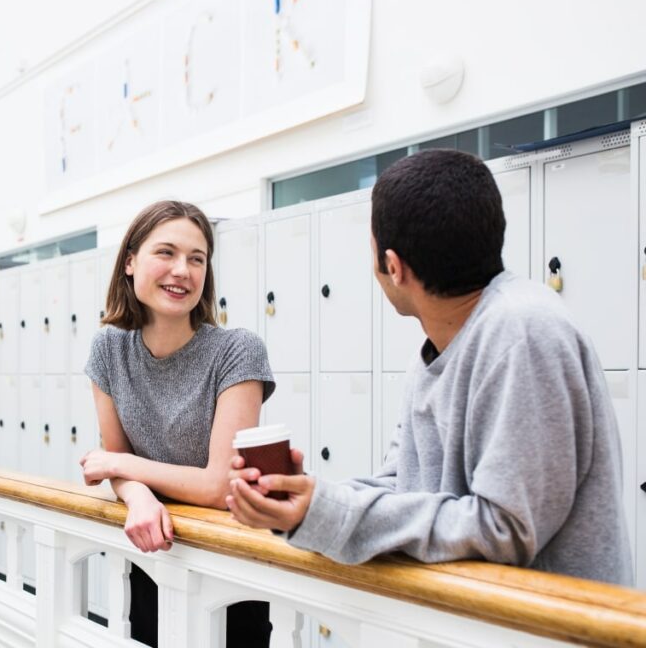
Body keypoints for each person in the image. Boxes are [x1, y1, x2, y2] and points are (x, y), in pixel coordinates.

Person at [227, 149, 633, 586]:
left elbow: (506, 529)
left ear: (394, 266)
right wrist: (306, 498)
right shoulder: (439, 346)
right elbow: (405, 490)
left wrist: (329, 511)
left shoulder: (523, 332)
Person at [81, 201, 276, 646]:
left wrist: (121, 467)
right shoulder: (108, 350)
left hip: (231, 569)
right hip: (154, 553)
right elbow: (117, 467)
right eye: (165, 253)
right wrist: (139, 498)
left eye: (197, 258)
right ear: (130, 262)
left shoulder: (238, 351)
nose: (182, 270)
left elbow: (217, 486)